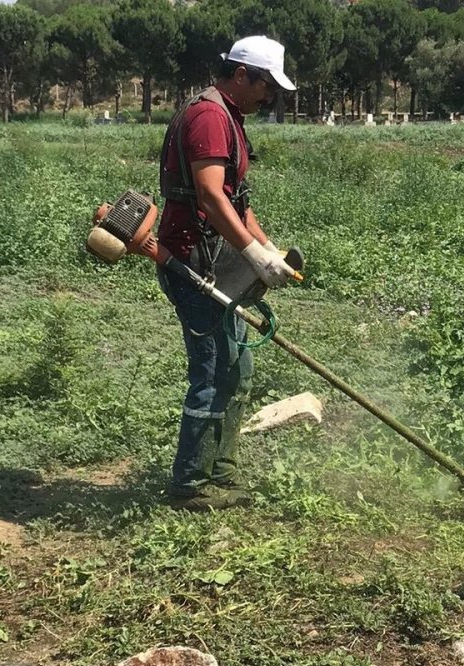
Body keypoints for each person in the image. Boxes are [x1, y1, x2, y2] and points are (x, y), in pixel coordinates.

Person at [155, 36, 298, 511]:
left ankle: (220, 471)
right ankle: (190, 484)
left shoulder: (229, 117)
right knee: (214, 369)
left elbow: (238, 201)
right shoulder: (210, 116)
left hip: (217, 258)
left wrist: (266, 249)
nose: (270, 96)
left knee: (238, 368)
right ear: (241, 74)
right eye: (266, 86)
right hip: (193, 260)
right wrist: (252, 255)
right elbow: (211, 197)